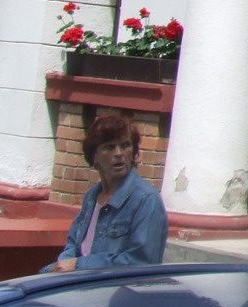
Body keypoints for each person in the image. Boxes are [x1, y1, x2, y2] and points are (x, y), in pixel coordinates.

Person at [48, 111, 167, 271]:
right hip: (78, 281)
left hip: (115, 285)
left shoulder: (146, 199)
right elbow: (73, 244)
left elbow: (142, 262)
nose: (119, 153)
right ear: (95, 156)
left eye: (125, 145)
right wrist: (63, 265)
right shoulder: (92, 196)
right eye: (109, 147)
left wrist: (78, 265)